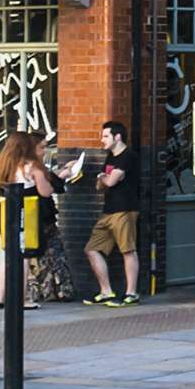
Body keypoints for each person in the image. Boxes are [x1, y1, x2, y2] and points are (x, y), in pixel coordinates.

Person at [0, 129, 64, 310]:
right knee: (24, 255)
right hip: (28, 214)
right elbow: (45, 192)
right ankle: (21, 299)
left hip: (6, 211)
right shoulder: (32, 167)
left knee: (8, 254)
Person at [67, 120, 145, 306]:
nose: (102, 140)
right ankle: (106, 291)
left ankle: (131, 293)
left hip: (124, 209)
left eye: (105, 136)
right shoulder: (110, 157)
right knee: (92, 249)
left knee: (128, 250)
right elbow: (100, 185)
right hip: (108, 210)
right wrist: (105, 177)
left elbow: (109, 182)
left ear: (117, 137)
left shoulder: (128, 156)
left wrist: (105, 178)